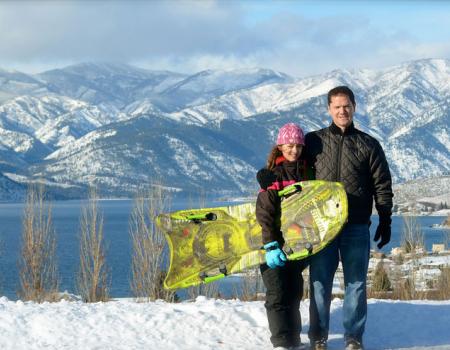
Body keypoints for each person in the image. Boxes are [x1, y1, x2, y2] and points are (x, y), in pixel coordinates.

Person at [305, 86, 393, 350]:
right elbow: (291, 166)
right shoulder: (313, 141)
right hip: (322, 227)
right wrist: (270, 177)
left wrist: (385, 218)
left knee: (355, 283)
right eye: (337, 106)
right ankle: (318, 337)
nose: (342, 111)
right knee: (320, 283)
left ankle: (353, 337)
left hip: (356, 225)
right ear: (329, 109)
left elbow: (382, 184)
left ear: (354, 107)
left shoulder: (368, 144)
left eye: (347, 106)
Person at [255, 123, 314, 350]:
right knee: (277, 294)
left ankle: (294, 340)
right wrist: (270, 245)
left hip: (295, 248)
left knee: (294, 294)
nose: (294, 150)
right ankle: (281, 342)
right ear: (280, 146)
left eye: (299, 146)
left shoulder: (308, 173)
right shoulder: (272, 176)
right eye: (290, 145)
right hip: (273, 247)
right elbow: (265, 212)